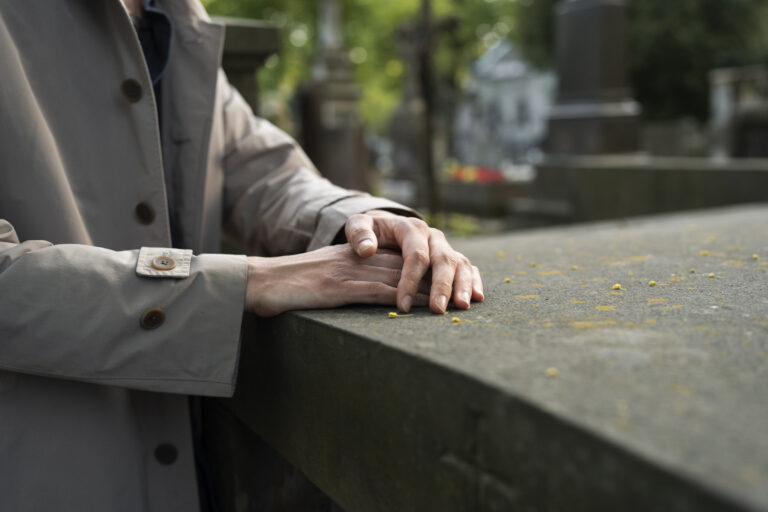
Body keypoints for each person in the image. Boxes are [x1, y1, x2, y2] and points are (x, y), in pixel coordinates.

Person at [0, 0, 483, 510]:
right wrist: (248, 282)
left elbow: (259, 170)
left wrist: (360, 219)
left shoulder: (177, 15)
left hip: (188, 464)